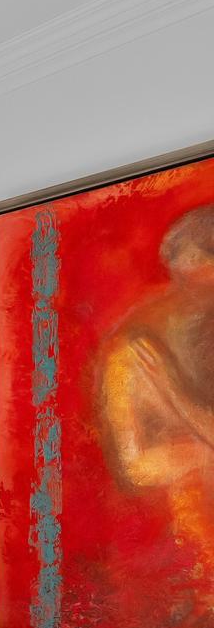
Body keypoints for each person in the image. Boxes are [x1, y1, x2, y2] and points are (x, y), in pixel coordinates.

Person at [97, 202, 214, 572]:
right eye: (184, 283)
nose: (195, 298)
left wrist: (175, 395)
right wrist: (202, 453)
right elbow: (134, 467)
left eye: (204, 284)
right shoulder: (137, 347)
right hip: (178, 547)